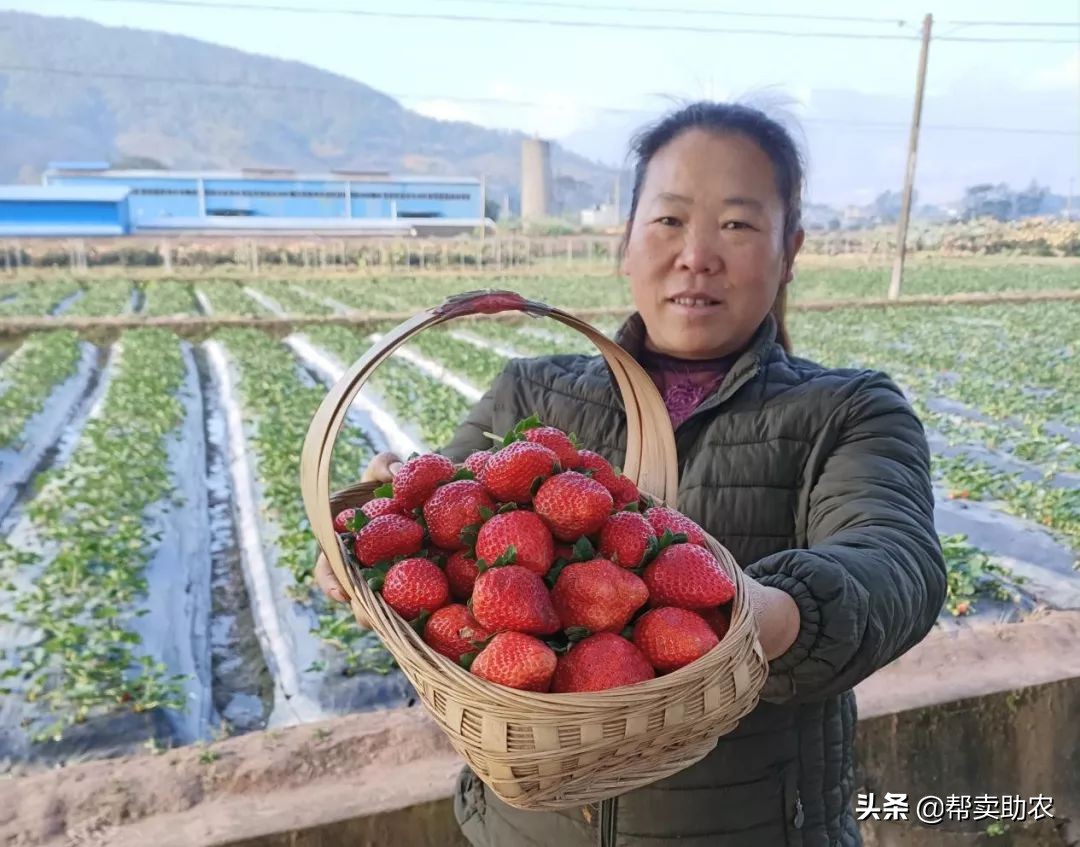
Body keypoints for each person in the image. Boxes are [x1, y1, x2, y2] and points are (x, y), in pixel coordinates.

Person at [314, 101, 946, 846]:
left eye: (738, 224)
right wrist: (365, 544)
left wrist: (767, 614)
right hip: (522, 828)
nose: (697, 254)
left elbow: (897, 566)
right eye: (670, 220)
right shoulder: (531, 394)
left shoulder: (847, 410)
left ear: (791, 249)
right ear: (626, 241)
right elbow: (435, 535)